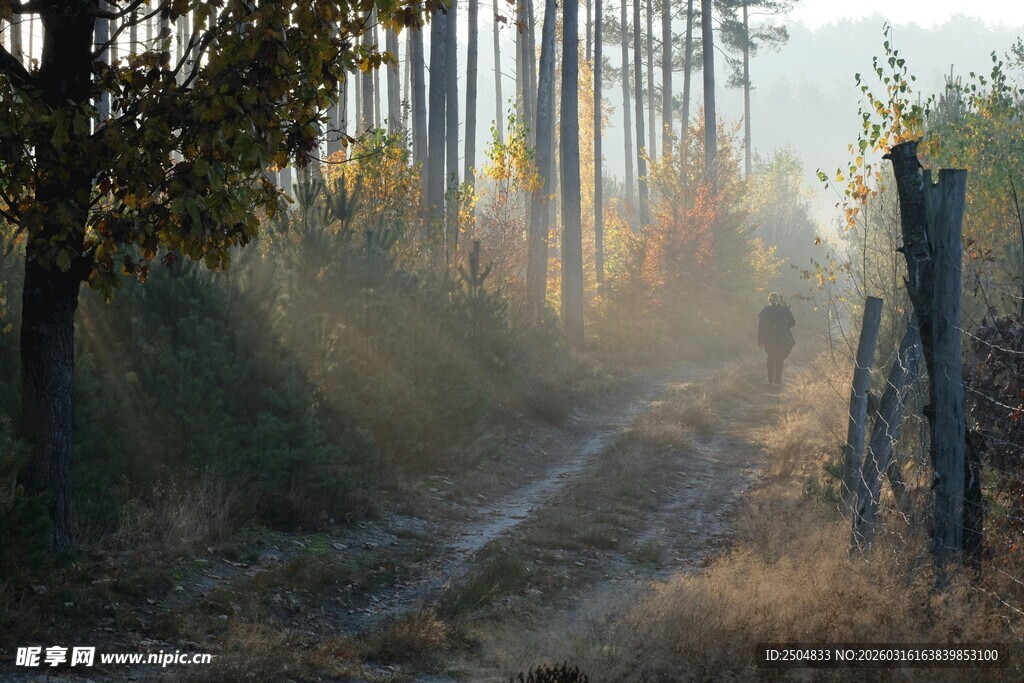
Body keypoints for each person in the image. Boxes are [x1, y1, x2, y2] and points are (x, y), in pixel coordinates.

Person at [757, 292, 796, 385]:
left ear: (769, 300)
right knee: (780, 358)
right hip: (782, 338)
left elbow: (761, 327)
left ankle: (770, 380)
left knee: (770, 357)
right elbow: (792, 322)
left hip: (768, 339)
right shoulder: (784, 309)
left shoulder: (765, 310)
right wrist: (784, 325)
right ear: (778, 300)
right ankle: (777, 380)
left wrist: (760, 340)